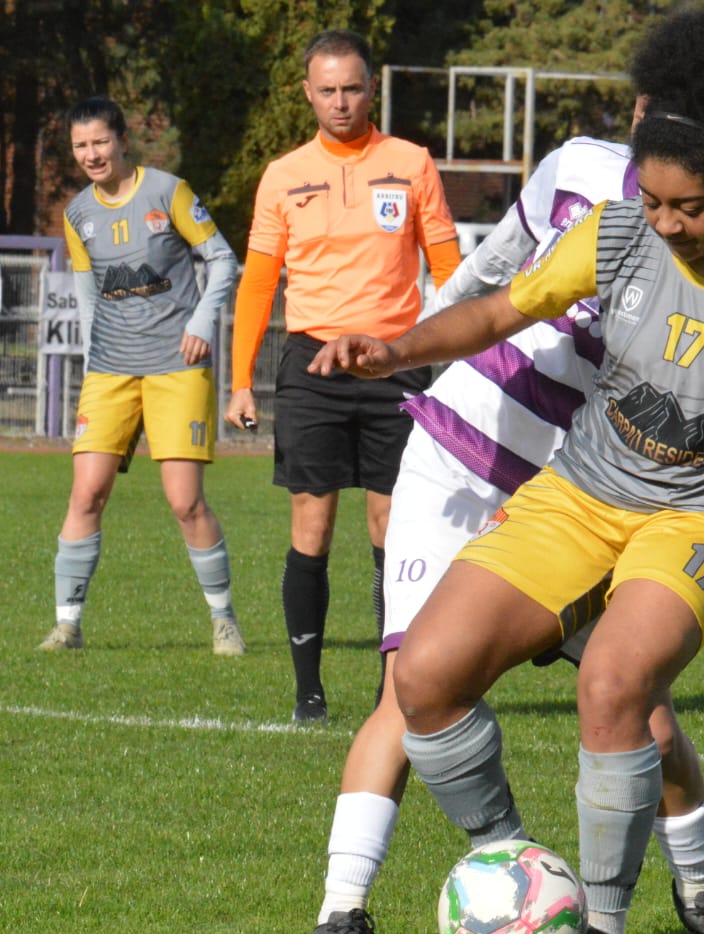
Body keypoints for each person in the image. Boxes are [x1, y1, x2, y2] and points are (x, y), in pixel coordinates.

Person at [310, 5, 704, 934]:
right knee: (426, 674)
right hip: (578, 491)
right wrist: (392, 348)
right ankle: (516, 863)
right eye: (651, 200)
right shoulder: (616, 234)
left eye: (689, 207)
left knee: (614, 686)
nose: (665, 224)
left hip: (702, 517)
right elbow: (499, 309)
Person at [223, 28, 461, 723]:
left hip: (396, 365)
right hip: (312, 366)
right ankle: (309, 692)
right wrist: (241, 380)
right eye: (327, 90)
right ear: (307, 93)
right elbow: (258, 285)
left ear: (370, 89)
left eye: (351, 88)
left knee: (394, 527)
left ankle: (394, 690)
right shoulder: (283, 174)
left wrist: (466, 361)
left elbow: (450, 272)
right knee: (312, 523)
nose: (340, 102)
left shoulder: (411, 163)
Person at [39, 96, 245, 657]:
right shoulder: (77, 213)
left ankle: (223, 620)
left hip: (176, 367)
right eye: (80, 146)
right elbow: (87, 292)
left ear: (122, 141)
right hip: (110, 370)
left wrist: (202, 321)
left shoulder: (167, 192)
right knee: (86, 493)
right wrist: (92, 355)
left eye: (100, 142)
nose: (91, 154)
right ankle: (67, 626)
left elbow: (222, 260)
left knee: (185, 502)